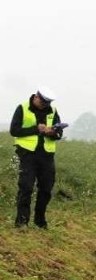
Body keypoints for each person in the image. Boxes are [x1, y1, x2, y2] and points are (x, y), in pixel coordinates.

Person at [9, 87, 64, 228]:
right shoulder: (22, 107)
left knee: (46, 189)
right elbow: (14, 130)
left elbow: (59, 134)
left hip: (46, 155)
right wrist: (36, 129)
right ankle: (21, 222)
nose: (45, 105)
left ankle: (40, 221)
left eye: (47, 103)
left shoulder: (52, 111)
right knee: (26, 187)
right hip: (27, 154)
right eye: (43, 102)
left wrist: (51, 132)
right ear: (36, 97)